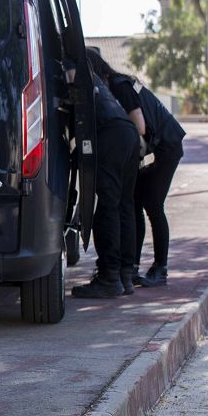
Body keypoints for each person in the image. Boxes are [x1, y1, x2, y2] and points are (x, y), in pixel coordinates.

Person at [86, 48, 186, 287]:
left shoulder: (119, 86)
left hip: (167, 148)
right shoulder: (120, 83)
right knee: (134, 204)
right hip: (157, 148)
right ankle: (131, 267)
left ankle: (159, 267)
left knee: (153, 206)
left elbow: (139, 126)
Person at [72, 57, 141, 299]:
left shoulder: (74, 72)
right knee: (125, 205)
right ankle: (125, 274)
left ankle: (109, 276)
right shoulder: (99, 83)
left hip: (110, 136)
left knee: (107, 208)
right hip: (127, 135)